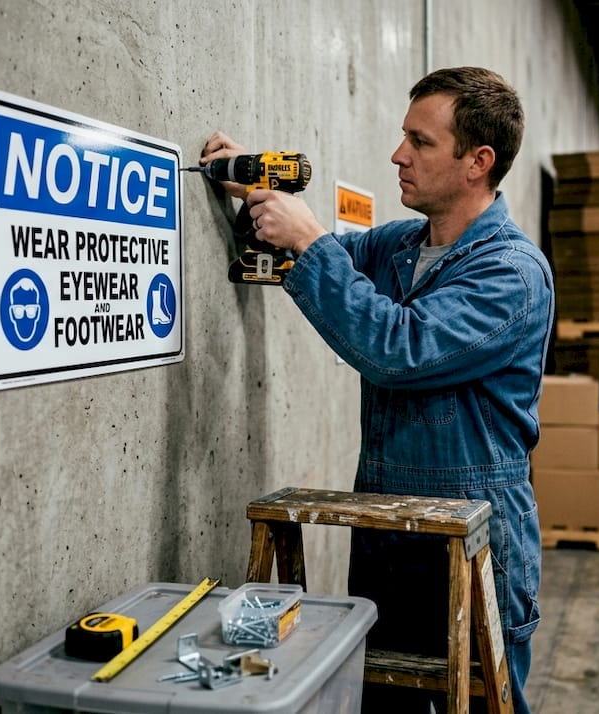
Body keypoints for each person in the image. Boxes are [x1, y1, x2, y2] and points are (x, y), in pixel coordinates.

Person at [201, 66, 553, 713]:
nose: (398, 154)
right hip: (390, 537)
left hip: (470, 551)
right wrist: (253, 188)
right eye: (403, 137)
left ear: (478, 161)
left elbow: (397, 346)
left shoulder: (513, 276)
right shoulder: (401, 246)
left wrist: (307, 240)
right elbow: (324, 260)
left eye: (420, 142)